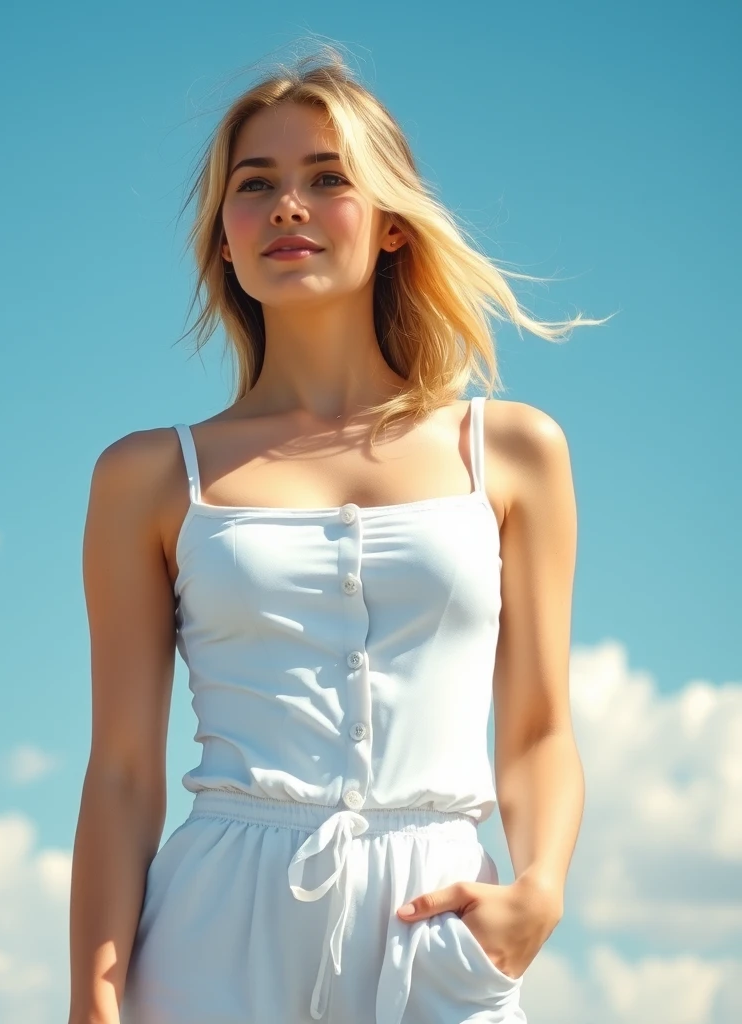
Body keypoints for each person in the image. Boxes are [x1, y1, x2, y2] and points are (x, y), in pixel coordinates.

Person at [69, 47, 596, 1024]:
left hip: (435, 918)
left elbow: (536, 727)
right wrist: (92, 1004)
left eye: (326, 178)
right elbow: (123, 773)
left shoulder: (513, 450)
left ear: (392, 225)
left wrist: (540, 889)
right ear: (221, 239)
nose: (286, 206)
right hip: (212, 933)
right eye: (254, 184)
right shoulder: (146, 476)